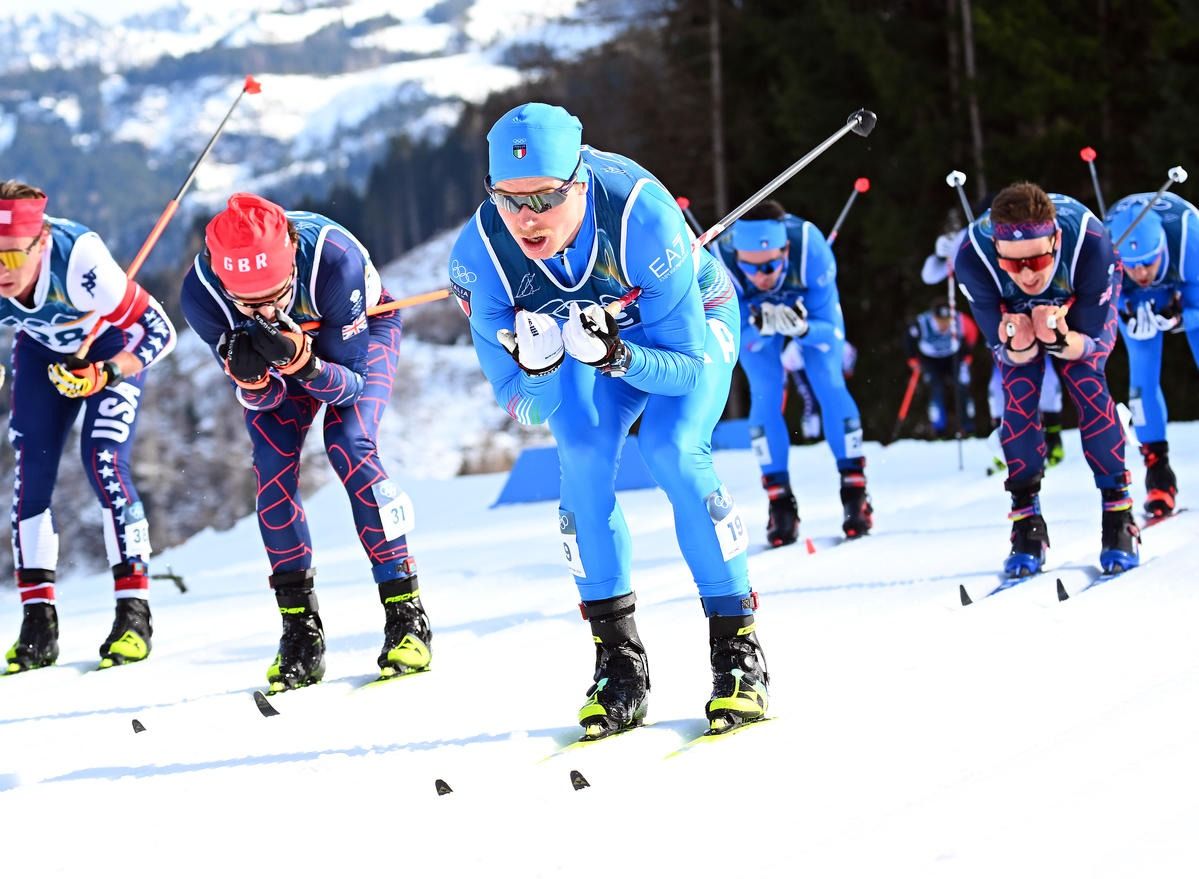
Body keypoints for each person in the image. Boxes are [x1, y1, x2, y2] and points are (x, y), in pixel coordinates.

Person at [447, 102, 767, 738]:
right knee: (583, 458)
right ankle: (618, 662)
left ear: (580, 182)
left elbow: (685, 370)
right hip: (585, 342)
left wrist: (617, 355)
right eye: (508, 199)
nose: (526, 218)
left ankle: (737, 652)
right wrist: (540, 368)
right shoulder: (480, 257)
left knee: (674, 448)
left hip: (685, 326)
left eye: (544, 198)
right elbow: (520, 403)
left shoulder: (643, 219)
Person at [179, 193, 428, 692]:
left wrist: (304, 364)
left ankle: (406, 616)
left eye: (277, 294)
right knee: (271, 466)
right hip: (292, 362)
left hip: (358, 335)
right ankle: (300, 634)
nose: (266, 311)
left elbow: (351, 386)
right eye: (247, 304)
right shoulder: (201, 294)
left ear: (291, 258)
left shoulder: (334, 260)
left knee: (350, 443)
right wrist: (253, 382)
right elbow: (269, 403)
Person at [0, 179, 177, 673]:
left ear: (41, 242)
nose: (2, 271)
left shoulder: (80, 261)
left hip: (109, 346)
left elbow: (160, 331)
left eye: (11, 257)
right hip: (39, 353)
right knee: (31, 475)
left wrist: (107, 373)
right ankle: (38, 626)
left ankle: (133, 616)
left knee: (103, 461)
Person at [954, 182, 1139, 576]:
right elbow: (1004, 350)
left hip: (1075, 302)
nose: (1026, 274)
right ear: (996, 248)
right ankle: (1025, 521)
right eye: (1012, 264)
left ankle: (1118, 514)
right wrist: (1018, 346)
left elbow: (1090, 345)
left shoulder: (1090, 243)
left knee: (1087, 382)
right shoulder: (973, 256)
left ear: (1055, 240)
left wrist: (1059, 339)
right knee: (1018, 391)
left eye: (1036, 261)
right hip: (1014, 312)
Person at [717, 201, 871, 547]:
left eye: (769, 266)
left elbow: (831, 332)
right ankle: (780, 504)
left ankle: (855, 494)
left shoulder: (810, 249)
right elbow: (731, 335)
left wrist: (803, 329)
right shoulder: (720, 261)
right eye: (749, 267)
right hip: (753, 318)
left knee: (828, 381)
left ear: (785, 250)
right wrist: (758, 328)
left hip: (808, 312)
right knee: (764, 390)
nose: (761, 277)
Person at [922, 224, 1065, 469]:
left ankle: (1052, 441)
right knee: (999, 385)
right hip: (999, 318)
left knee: (1048, 377)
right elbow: (930, 276)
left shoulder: (1028, 224)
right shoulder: (972, 233)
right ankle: (1006, 447)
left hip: (1037, 306)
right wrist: (939, 255)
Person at [1104, 192, 1199, 520]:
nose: (1142, 272)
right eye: (1132, 266)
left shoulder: (1189, 239)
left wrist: (1182, 318)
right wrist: (1123, 311)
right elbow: (1097, 299)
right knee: (1141, 375)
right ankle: (1159, 475)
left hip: (1187, 282)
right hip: (1134, 298)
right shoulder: (1105, 253)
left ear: (1161, 250)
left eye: (1148, 262)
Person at [904, 300, 978, 438]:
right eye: (940, 320)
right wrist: (912, 359)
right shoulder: (922, 323)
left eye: (947, 320)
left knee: (961, 387)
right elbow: (909, 339)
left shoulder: (960, 320)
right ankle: (939, 429)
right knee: (936, 389)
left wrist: (967, 354)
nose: (944, 324)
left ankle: (967, 427)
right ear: (934, 317)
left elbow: (972, 333)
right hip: (931, 360)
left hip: (953, 357)